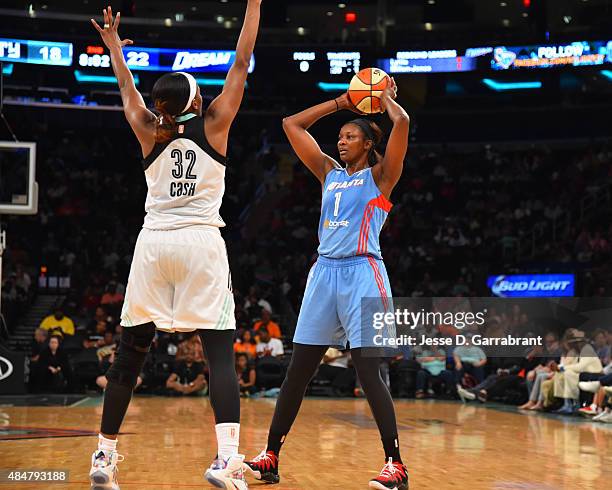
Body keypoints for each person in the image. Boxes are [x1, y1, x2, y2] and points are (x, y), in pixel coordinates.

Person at [88, 3, 262, 489]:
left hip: (153, 244)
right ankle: (226, 459)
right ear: (194, 100)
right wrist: (253, 5)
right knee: (220, 355)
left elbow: (126, 88)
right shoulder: (216, 124)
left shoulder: (148, 128)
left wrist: (115, 47)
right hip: (201, 243)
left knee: (129, 354)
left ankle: (104, 456)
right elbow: (242, 60)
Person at [244, 78, 410, 489]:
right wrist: (341, 102)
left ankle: (396, 464)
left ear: (369, 144)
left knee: (368, 371)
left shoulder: (381, 175)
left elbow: (402, 122)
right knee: (297, 371)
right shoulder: (328, 173)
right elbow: (291, 125)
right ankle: (271, 457)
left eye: (351, 136)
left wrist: (384, 101)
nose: (341, 141)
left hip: (363, 273)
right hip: (324, 273)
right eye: (340, 136)